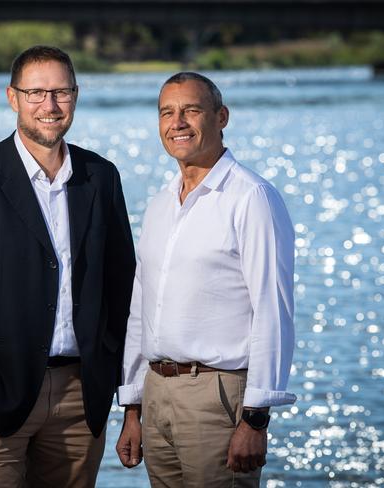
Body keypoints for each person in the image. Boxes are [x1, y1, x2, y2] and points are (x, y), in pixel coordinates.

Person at [0, 45, 135, 488]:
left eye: (60, 92)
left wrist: (114, 377)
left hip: (80, 397)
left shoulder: (101, 176)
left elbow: (122, 285)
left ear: (76, 95)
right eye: (36, 93)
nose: (49, 106)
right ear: (12, 97)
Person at [115, 72, 296, 487]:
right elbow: (141, 309)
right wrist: (132, 406)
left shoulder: (251, 198)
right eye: (167, 112)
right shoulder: (161, 204)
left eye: (191, 110)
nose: (177, 122)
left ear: (221, 117)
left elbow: (273, 310)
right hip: (157, 394)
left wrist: (255, 419)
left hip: (217, 398)